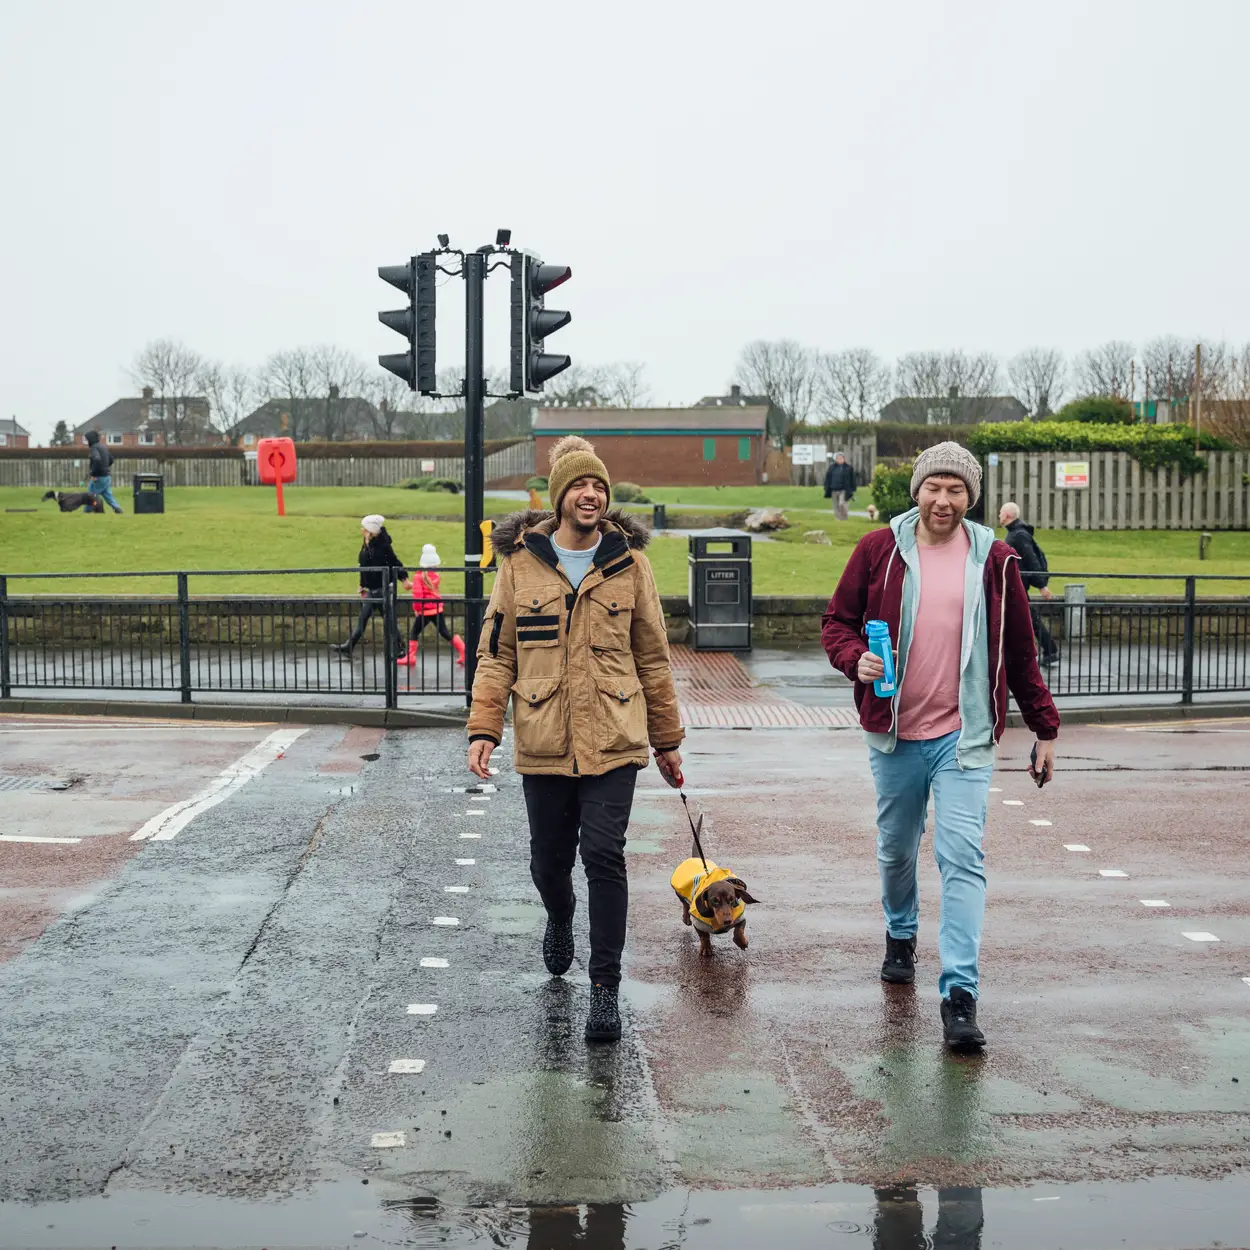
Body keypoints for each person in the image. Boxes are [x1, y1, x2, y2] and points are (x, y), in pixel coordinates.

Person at [821, 442, 1060, 1050]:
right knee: (897, 849)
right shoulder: (879, 550)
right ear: (918, 491)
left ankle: (960, 995)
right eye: (935, 488)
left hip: (965, 736)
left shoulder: (997, 561)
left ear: (970, 498)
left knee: (962, 861)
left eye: (957, 490)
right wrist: (857, 661)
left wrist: (1044, 728)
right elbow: (836, 623)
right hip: (896, 732)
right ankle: (900, 932)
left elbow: (1021, 652)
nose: (944, 500)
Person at [466, 435, 684, 1045]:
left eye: (599, 487)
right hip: (543, 736)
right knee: (548, 863)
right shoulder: (519, 566)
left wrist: (667, 741)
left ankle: (605, 989)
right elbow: (497, 655)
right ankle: (559, 917)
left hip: (616, 735)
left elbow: (654, 658)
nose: (591, 495)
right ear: (561, 496)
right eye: (580, 486)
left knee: (605, 857)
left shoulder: (629, 565)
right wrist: (485, 728)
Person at [331, 515, 407, 658]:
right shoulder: (367, 542)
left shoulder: (384, 546)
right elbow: (364, 565)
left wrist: (404, 579)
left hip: (384, 589)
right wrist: (362, 584)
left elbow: (395, 562)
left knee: (390, 621)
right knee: (363, 618)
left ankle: (400, 648)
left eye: (365, 528)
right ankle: (349, 646)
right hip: (372, 590)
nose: (362, 530)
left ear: (371, 531)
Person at [999, 501, 1058, 667]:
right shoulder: (1015, 533)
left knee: (1029, 619)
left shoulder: (1019, 535)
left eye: (1001, 513)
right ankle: (1046, 650)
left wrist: (1042, 586)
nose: (999, 516)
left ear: (1008, 515)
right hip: (1014, 584)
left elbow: (1031, 560)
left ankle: (1049, 650)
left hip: (1017, 585)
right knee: (1025, 619)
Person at [398, 543, 466, 668]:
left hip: (425, 610)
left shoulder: (419, 577)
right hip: (436, 608)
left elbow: (418, 596)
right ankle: (464, 652)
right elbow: (428, 590)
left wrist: (416, 609)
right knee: (445, 632)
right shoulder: (435, 576)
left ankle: (410, 657)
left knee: (414, 632)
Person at [84, 431, 123, 514]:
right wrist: (105, 468)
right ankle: (117, 509)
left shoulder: (94, 448)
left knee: (91, 495)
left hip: (98, 477)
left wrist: (93, 473)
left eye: (87, 440)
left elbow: (96, 459)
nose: (87, 442)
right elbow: (111, 460)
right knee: (108, 495)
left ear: (91, 439)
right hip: (107, 477)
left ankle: (86, 512)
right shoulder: (103, 447)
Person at [823, 451, 857, 521]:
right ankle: (838, 519)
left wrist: (853, 489)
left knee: (842, 504)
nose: (839, 459)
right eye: (838, 458)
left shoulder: (848, 468)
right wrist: (826, 487)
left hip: (844, 489)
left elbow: (852, 479)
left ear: (844, 459)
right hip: (834, 489)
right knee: (836, 506)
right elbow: (828, 478)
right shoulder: (832, 468)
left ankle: (844, 518)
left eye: (841, 458)